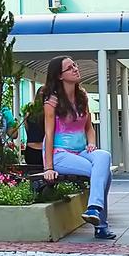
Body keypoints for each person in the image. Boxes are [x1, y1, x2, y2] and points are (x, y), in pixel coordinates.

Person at [42, 56, 115, 240]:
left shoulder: (82, 96)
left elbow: (89, 127)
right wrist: (48, 167)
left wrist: (91, 142)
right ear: (60, 76)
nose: (75, 68)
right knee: (104, 172)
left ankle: (94, 209)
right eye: (70, 67)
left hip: (81, 151)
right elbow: (49, 134)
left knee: (103, 156)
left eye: (75, 64)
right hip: (59, 153)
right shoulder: (52, 101)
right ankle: (101, 225)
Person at [22, 86, 47, 166]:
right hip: (45, 149)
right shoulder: (49, 112)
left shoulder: (29, 110)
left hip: (30, 149)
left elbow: (27, 128)